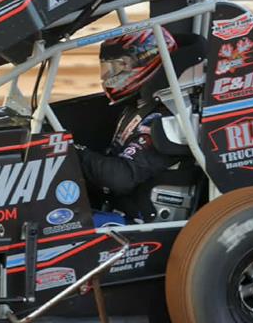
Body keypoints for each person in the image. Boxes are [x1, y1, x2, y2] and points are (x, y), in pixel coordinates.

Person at [74, 30, 180, 222]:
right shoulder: (135, 106)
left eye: (119, 65)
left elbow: (121, 178)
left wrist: (74, 152)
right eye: (107, 66)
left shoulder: (161, 117)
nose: (108, 74)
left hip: (137, 220)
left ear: (146, 62)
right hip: (114, 206)